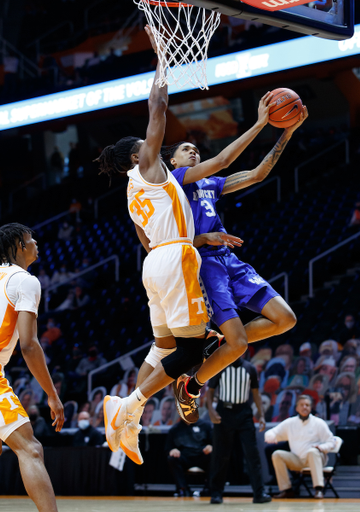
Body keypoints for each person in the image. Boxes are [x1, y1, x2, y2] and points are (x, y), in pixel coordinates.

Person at [97, 26, 278, 465]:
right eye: (148, 146)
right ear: (136, 156)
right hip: (177, 257)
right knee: (193, 352)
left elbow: (144, 240)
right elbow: (157, 106)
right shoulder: (149, 168)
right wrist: (162, 56)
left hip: (154, 264)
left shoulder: (133, 193)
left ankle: (128, 424)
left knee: (163, 349)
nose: (156, 146)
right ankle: (128, 406)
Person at [169, 108, 308, 421]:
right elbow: (221, 160)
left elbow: (257, 174)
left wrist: (287, 131)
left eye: (195, 149)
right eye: (185, 150)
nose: (193, 151)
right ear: (173, 162)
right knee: (240, 345)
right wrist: (261, 121)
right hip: (203, 264)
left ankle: (217, 343)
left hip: (230, 260)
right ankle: (191, 386)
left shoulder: (209, 185)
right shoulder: (175, 182)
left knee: (285, 320)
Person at [0, 223, 64, 512]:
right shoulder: (24, 280)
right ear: (18, 246)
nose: (36, 242)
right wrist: (51, 394)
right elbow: (29, 344)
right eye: (30, 239)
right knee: (30, 449)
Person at [206, 356, 271, 504]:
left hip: (244, 412)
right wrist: (211, 410)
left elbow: (256, 393)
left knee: (252, 454)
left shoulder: (250, 368)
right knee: (220, 455)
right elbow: (210, 391)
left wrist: (261, 415)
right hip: (224, 412)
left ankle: (259, 493)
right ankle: (216, 493)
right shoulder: (220, 364)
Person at [265, 394, 336, 499]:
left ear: (311, 408)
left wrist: (322, 448)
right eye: (302, 405)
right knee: (277, 454)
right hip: (297, 459)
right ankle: (287, 490)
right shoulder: (290, 422)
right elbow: (272, 432)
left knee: (312, 452)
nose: (304, 407)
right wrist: (270, 436)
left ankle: (319, 489)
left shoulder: (319, 423)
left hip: (317, 458)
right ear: (297, 408)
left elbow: (332, 442)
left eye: (307, 405)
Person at [166, 418, 213, 497]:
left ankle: (209, 489)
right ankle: (183, 489)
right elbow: (168, 448)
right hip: (185, 457)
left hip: (202, 455)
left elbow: (214, 442)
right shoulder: (174, 429)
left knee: (214, 456)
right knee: (172, 459)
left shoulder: (206, 425)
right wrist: (173, 450)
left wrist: (211, 446)